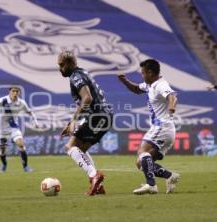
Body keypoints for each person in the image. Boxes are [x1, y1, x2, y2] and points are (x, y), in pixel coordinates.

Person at [118, 59, 180, 195]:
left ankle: (151, 185)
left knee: (142, 153)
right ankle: (170, 176)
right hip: (165, 129)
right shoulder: (150, 85)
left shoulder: (160, 85)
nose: (142, 76)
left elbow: (172, 97)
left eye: (143, 73)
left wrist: (171, 108)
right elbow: (136, 89)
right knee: (141, 163)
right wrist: (124, 81)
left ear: (150, 73)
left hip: (162, 127)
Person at [58, 50, 113, 196]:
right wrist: (71, 122)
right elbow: (83, 102)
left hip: (96, 115)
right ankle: (98, 184)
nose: (60, 68)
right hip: (105, 116)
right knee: (80, 149)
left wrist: (75, 120)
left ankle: (94, 175)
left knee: (70, 146)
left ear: (70, 63)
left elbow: (87, 99)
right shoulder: (83, 73)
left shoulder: (76, 76)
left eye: (62, 65)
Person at [0, 86, 39, 173]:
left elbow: (30, 112)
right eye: (13, 91)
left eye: (17, 91)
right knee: (2, 151)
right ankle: (4, 164)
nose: (15, 93)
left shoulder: (21, 103)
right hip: (2, 130)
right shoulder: (3, 101)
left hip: (13, 127)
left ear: (19, 93)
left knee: (21, 144)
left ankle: (26, 167)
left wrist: (36, 123)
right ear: (9, 92)